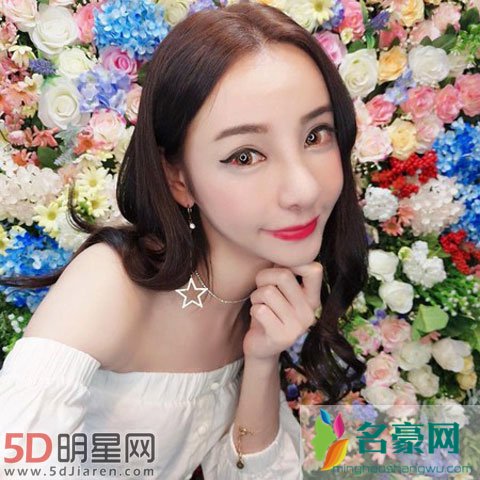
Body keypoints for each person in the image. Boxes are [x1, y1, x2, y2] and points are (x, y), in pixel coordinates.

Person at [0, 1, 369, 479]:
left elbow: (248, 473)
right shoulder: (110, 286)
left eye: (315, 135)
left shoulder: (258, 296)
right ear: (178, 177)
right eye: (245, 156)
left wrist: (261, 360)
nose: (303, 189)